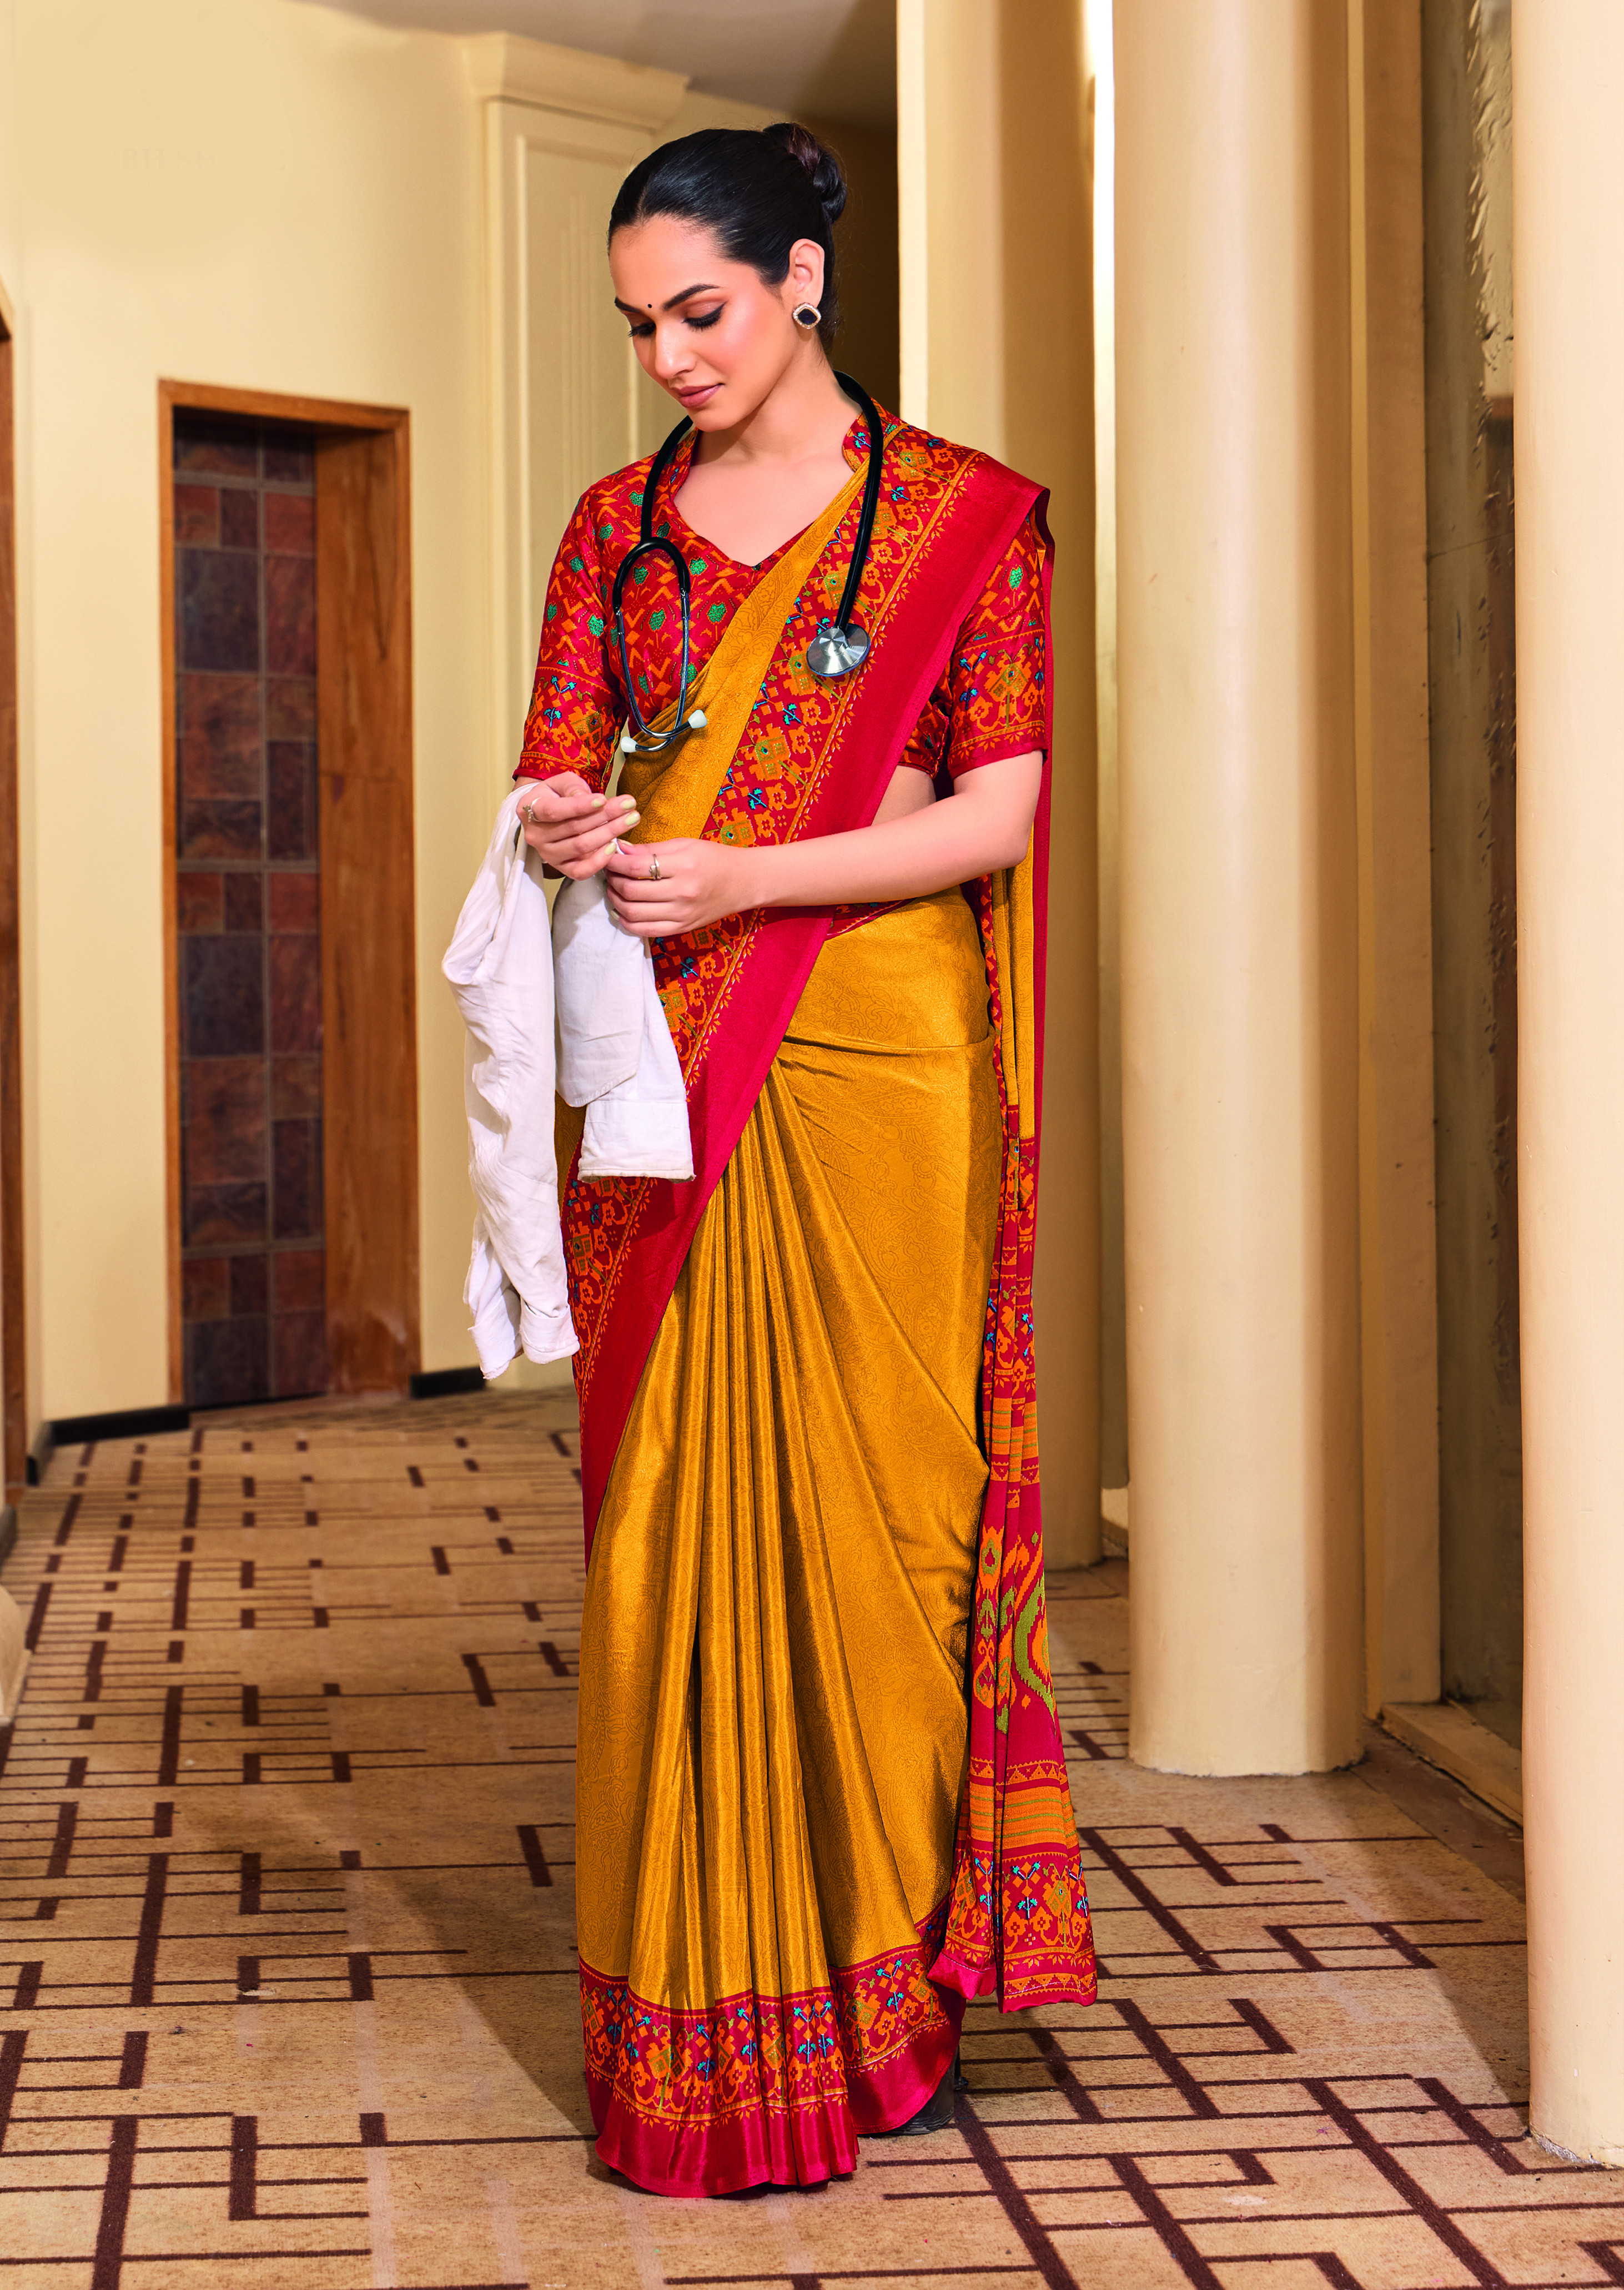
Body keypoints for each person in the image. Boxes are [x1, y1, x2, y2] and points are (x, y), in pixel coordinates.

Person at [515, 122, 1095, 2202]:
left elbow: (996, 807)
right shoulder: (616, 533)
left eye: (703, 310)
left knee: (884, 1523)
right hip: (668, 1067)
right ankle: (705, 2014)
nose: (672, 355)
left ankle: (885, 2000)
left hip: (879, 1054)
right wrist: (567, 819)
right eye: (640, 326)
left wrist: (750, 874)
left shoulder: (959, 522)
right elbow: (558, 759)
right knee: (680, 1518)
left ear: (802, 282)